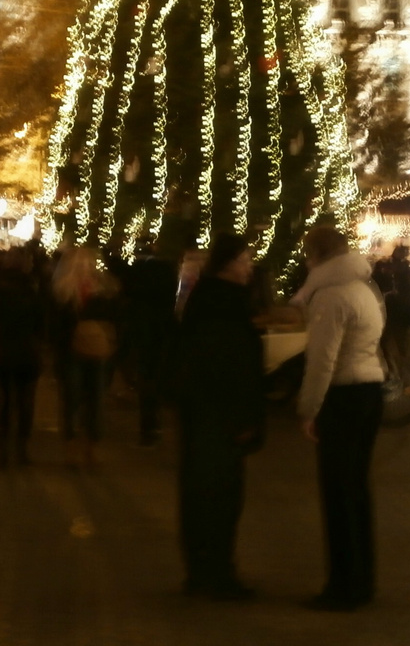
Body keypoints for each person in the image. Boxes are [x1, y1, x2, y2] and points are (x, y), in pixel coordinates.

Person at [295, 225, 385, 612]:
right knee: (357, 490)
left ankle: (343, 585)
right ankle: (362, 578)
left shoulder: (330, 297)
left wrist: (309, 409)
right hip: (369, 390)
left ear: (315, 256)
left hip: (344, 394)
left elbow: (322, 361)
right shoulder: (364, 288)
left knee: (338, 493)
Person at [174, 234, 265, 600]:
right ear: (230, 264)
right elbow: (234, 367)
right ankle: (218, 573)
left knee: (197, 495)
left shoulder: (204, 300)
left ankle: (200, 570)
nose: (250, 267)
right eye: (245, 260)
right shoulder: (227, 305)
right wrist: (245, 418)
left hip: (200, 415)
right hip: (222, 418)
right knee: (222, 497)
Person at [50, 246, 120, 467]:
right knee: (73, 399)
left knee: (95, 400)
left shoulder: (103, 290)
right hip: (72, 352)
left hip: (96, 351)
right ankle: (72, 448)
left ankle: (90, 448)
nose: (84, 268)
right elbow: (55, 327)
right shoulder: (64, 292)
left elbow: (114, 319)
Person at [0, 247, 45, 467]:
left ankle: (2, 450)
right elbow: (40, 324)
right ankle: (21, 449)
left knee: (3, 401)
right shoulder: (31, 290)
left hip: (3, 350)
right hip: (27, 351)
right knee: (25, 402)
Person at [125, 238, 178, 446]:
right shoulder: (167, 273)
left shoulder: (138, 272)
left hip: (143, 329)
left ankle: (149, 425)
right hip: (164, 329)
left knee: (146, 376)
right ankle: (154, 423)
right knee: (158, 375)